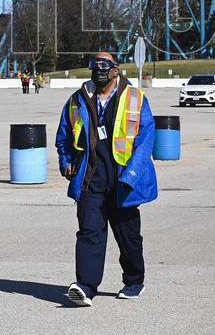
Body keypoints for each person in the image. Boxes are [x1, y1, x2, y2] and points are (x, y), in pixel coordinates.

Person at [56, 52, 156, 307]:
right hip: (90, 179)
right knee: (89, 232)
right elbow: (64, 135)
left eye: (104, 64)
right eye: (93, 64)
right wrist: (66, 161)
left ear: (115, 70)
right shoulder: (77, 100)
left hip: (123, 182)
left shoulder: (135, 98)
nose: (97, 68)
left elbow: (146, 138)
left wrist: (132, 174)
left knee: (128, 237)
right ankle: (86, 287)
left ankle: (134, 281)